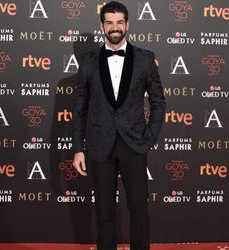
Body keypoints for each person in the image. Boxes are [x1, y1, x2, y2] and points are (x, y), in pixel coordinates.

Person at [72, 1, 166, 249]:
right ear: (102, 25)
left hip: (134, 144)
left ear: (127, 25)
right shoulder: (89, 61)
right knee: (104, 212)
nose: (115, 28)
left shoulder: (145, 59)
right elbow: (79, 108)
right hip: (99, 145)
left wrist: (150, 137)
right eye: (109, 22)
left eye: (119, 22)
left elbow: (158, 102)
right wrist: (78, 148)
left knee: (139, 210)